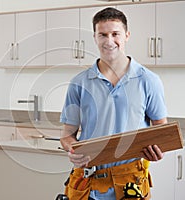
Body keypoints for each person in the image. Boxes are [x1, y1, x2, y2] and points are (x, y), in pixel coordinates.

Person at [60, 7, 168, 200]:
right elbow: (67, 136)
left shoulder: (148, 81)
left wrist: (157, 150)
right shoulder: (79, 83)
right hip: (88, 184)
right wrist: (72, 150)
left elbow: (161, 130)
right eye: (103, 34)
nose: (109, 41)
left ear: (126, 36)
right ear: (95, 37)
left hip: (131, 185)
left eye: (115, 34)